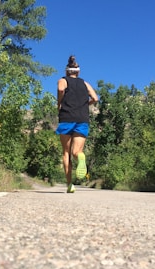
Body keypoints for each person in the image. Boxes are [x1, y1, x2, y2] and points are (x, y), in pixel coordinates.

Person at [56, 55, 99, 193]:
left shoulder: (63, 80)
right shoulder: (85, 83)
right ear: (78, 72)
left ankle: (70, 185)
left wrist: (59, 103)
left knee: (66, 153)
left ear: (66, 72)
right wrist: (85, 104)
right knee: (76, 151)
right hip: (82, 118)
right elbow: (95, 98)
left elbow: (61, 89)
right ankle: (80, 157)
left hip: (67, 117)